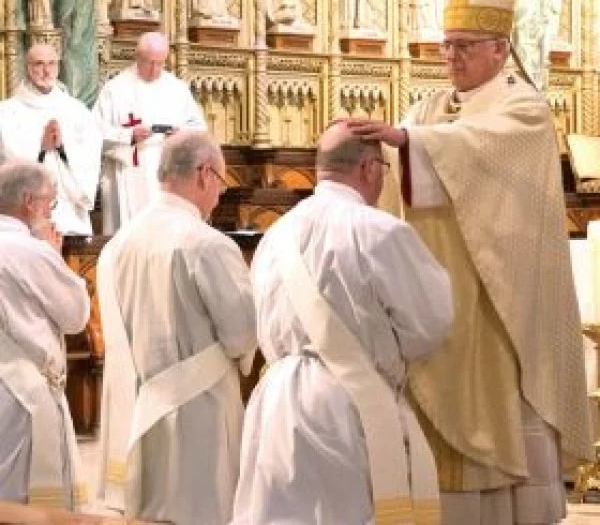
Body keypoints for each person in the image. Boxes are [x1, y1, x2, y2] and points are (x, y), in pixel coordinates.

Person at [347, 0, 592, 524]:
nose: (451, 57)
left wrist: (410, 141)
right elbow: (406, 151)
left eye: (464, 46)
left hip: (495, 301)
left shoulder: (524, 108)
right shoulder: (431, 107)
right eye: (446, 46)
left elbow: (474, 149)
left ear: (500, 49)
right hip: (436, 299)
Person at [232, 122, 453, 524]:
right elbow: (429, 322)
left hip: (276, 399)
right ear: (370, 168)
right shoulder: (380, 231)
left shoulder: (275, 235)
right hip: (347, 400)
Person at [97, 130, 256, 524]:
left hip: (140, 409)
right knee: (202, 509)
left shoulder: (120, 243)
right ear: (204, 174)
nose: (220, 194)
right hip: (200, 414)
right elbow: (241, 333)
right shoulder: (207, 243)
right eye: (220, 181)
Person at [0, 159, 90, 508]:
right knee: (27, 500)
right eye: (50, 202)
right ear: (29, 202)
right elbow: (75, 316)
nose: (51, 211)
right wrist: (53, 256)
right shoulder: (29, 251)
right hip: (21, 393)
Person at [93, 31, 206, 234]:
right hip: (130, 171)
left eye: (160, 63)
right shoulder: (115, 89)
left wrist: (181, 135)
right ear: (137, 57)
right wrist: (128, 136)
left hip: (168, 174)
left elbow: (199, 129)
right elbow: (93, 133)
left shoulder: (177, 89)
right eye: (149, 62)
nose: (154, 69)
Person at [0, 44, 102, 235]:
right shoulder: (7, 112)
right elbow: (9, 162)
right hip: (25, 217)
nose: (46, 71)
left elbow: (90, 158)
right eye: (39, 64)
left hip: (70, 213)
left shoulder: (77, 111)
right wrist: (41, 148)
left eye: (52, 64)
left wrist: (63, 149)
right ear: (27, 67)